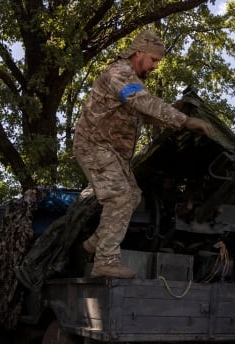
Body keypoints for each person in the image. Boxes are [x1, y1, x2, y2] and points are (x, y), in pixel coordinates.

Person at [74, 28, 215, 278]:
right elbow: (143, 102)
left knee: (133, 196)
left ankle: (94, 243)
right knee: (118, 197)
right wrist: (185, 121)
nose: (155, 66)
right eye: (153, 60)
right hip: (93, 145)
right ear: (138, 52)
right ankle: (105, 260)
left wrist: (173, 111)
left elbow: (145, 113)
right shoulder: (119, 74)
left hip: (112, 152)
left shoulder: (134, 83)